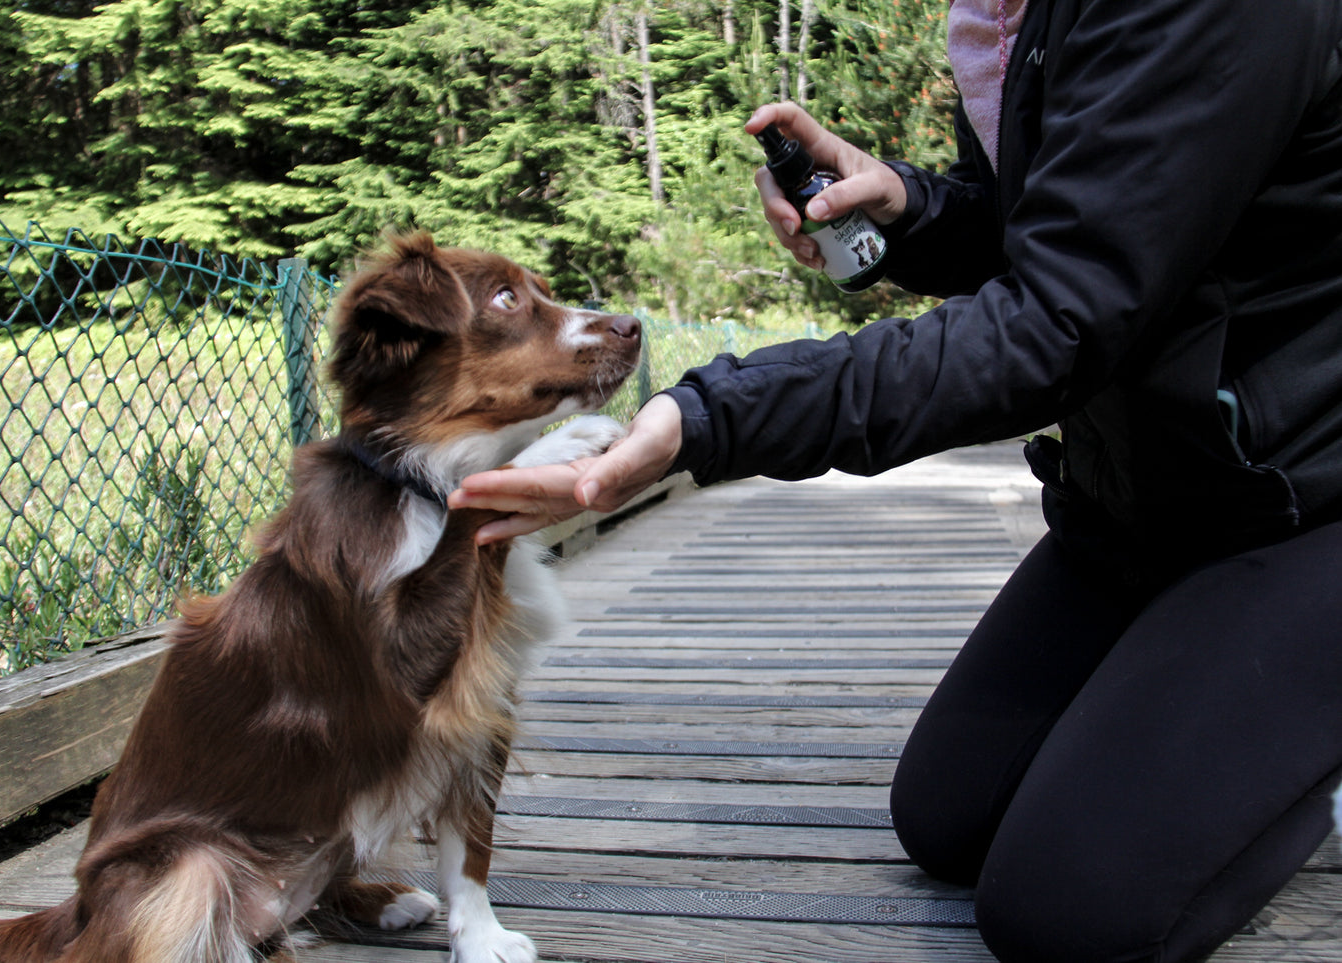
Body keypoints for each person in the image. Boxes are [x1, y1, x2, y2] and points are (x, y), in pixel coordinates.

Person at [450, 2, 1342, 959]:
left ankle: (1304, 759)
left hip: (1299, 498)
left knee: (1065, 915)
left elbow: (1054, 327)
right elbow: (1073, 227)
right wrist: (907, 209)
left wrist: (713, 417)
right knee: (947, 816)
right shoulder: (1014, 16)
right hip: (1144, 496)